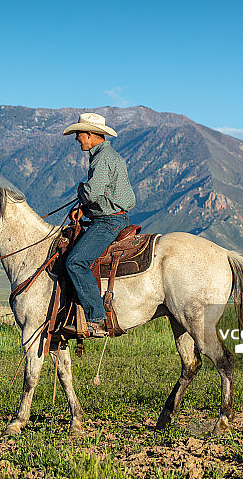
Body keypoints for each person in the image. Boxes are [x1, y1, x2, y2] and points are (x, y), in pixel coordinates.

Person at [61, 113, 135, 338]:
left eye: (78, 134)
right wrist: (83, 208)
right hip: (107, 216)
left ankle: (96, 319)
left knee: (75, 262)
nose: (76, 139)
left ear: (90, 134)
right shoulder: (106, 156)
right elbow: (101, 194)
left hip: (108, 220)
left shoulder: (102, 158)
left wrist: (81, 192)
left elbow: (92, 192)